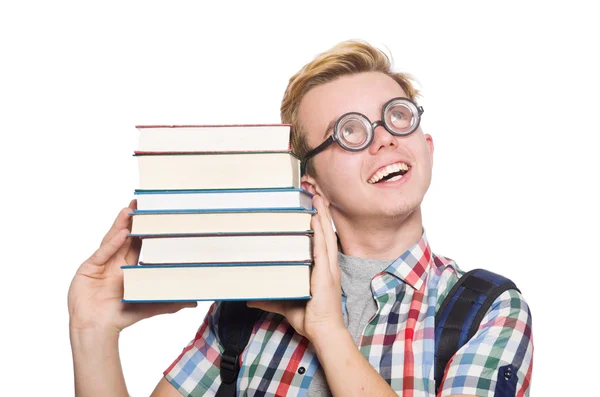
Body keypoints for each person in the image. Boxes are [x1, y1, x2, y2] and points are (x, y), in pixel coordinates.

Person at [68, 40, 533, 397]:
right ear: (309, 184)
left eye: (398, 117)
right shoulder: (246, 309)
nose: (385, 140)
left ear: (426, 149)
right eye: (349, 132)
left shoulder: (488, 310)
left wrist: (327, 328)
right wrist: (92, 331)